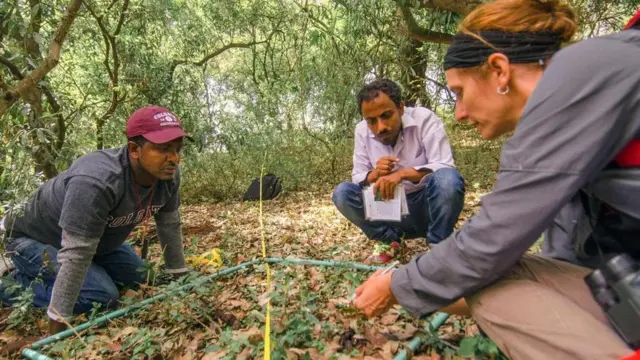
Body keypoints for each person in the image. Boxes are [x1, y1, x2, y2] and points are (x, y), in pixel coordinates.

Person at [353, 1, 639, 359]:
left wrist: (396, 284)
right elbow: (558, 258)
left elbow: (492, 238)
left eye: (459, 92)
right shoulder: (573, 119)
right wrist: (408, 290)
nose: (458, 113)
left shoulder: (580, 76)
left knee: (483, 269)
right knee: (492, 281)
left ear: (500, 70)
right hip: (624, 287)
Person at [1, 105, 191, 335]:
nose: (174, 158)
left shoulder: (168, 175)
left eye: (177, 149)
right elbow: (77, 252)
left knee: (145, 278)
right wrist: (58, 327)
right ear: (134, 149)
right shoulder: (96, 181)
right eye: (163, 149)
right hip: (31, 239)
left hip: (99, 241)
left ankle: (89, 273)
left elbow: (169, 224)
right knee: (100, 295)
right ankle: (8, 281)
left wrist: (181, 282)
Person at [332, 79, 465, 263]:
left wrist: (401, 174)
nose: (381, 127)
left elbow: (445, 165)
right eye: (371, 121)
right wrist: (375, 174)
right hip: (388, 209)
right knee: (342, 193)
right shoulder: (361, 131)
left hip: (427, 205)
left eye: (386, 115)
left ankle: (439, 246)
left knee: (448, 180)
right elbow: (358, 178)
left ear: (401, 108)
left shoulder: (424, 119)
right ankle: (389, 241)